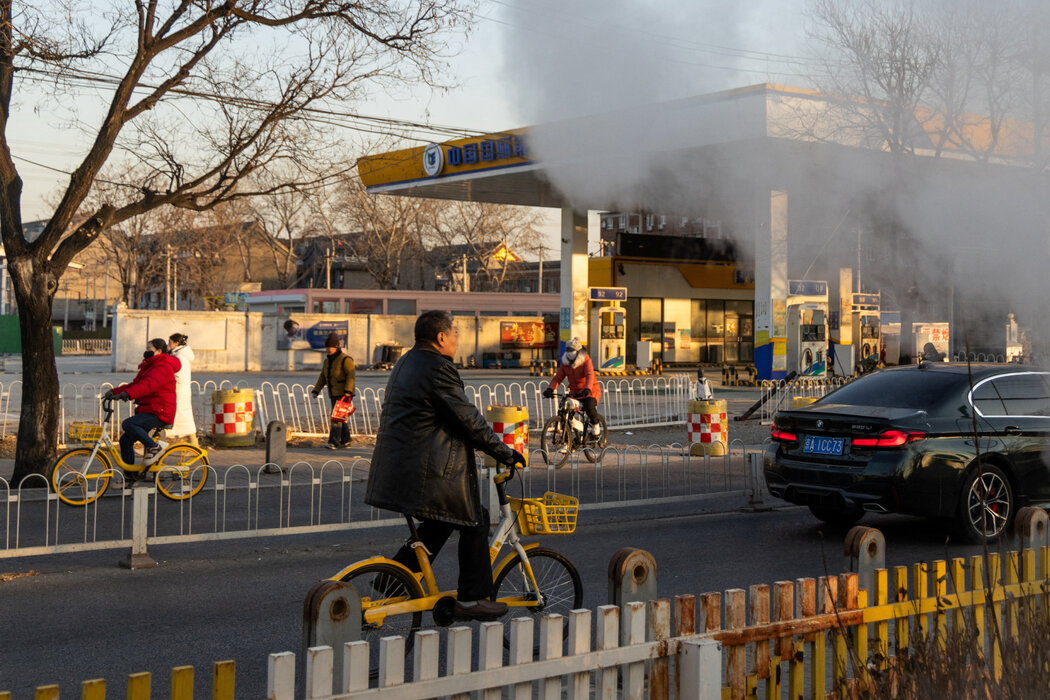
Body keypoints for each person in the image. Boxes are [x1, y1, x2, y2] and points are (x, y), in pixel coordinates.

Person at [365, 310, 525, 621]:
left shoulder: (407, 362)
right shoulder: (438, 368)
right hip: (425, 473)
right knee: (476, 519)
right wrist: (504, 452)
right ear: (441, 338)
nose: (456, 340)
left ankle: (393, 581)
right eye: (454, 335)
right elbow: (468, 419)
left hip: (400, 468)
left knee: (441, 521)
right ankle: (471, 599)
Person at [105, 338, 181, 467]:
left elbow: (147, 386)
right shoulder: (150, 366)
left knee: (128, 424)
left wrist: (127, 394)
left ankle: (154, 448)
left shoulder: (163, 367)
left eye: (149, 348)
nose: (146, 351)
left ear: (159, 351)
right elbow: (136, 384)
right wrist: (114, 392)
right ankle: (130, 476)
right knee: (125, 440)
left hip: (161, 411)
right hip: (150, 410)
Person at [543, 337, 602, 436]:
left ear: (578, 351)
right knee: (564, 411)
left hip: (590, 390)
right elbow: (557, 378)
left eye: (572, 350)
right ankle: (567, 441)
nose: (569, 352)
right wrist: (550, 389)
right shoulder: (565, 363)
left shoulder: (586, 360)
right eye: (568, 350)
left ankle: (596, 425)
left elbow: (589, 375)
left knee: (589, 406)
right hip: (575, 392)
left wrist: (587, 388)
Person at [311, 332, 356, 449]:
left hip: (344, 394)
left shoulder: (346, 360)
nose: (328, 349)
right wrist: (316, 390)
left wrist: (348, 391)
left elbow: (351, 376)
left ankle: (334, 442)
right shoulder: (327, 361)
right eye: (326, 347)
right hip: (333, 394)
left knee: (336, 418)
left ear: (336, 347)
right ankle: (346, 440)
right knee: (340, 418)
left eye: (330, 347)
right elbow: (323, 377)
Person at [167, 333, 197, 444]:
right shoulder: (179, 355)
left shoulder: (180, 357)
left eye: (170, 342)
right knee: (186, 420)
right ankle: (195, 445)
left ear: (176, 343)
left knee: (168, 420)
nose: (168, 345)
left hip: (178, 392)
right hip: (180, 392)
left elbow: (178, 376)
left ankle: (152, 446)